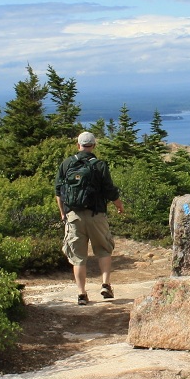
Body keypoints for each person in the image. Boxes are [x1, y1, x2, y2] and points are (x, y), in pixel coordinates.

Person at [55, 131, 125, 305]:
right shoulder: (99, 165)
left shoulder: (66, 164)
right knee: (104, 249)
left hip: (73, 216)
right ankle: (105, 284)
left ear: (78, 145)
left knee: (78, 257)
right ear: (93, 145)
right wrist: (118, 205)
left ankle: (81, 294)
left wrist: (63, 213)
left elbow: (58, 191)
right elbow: (109, 189)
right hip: (97, 214)